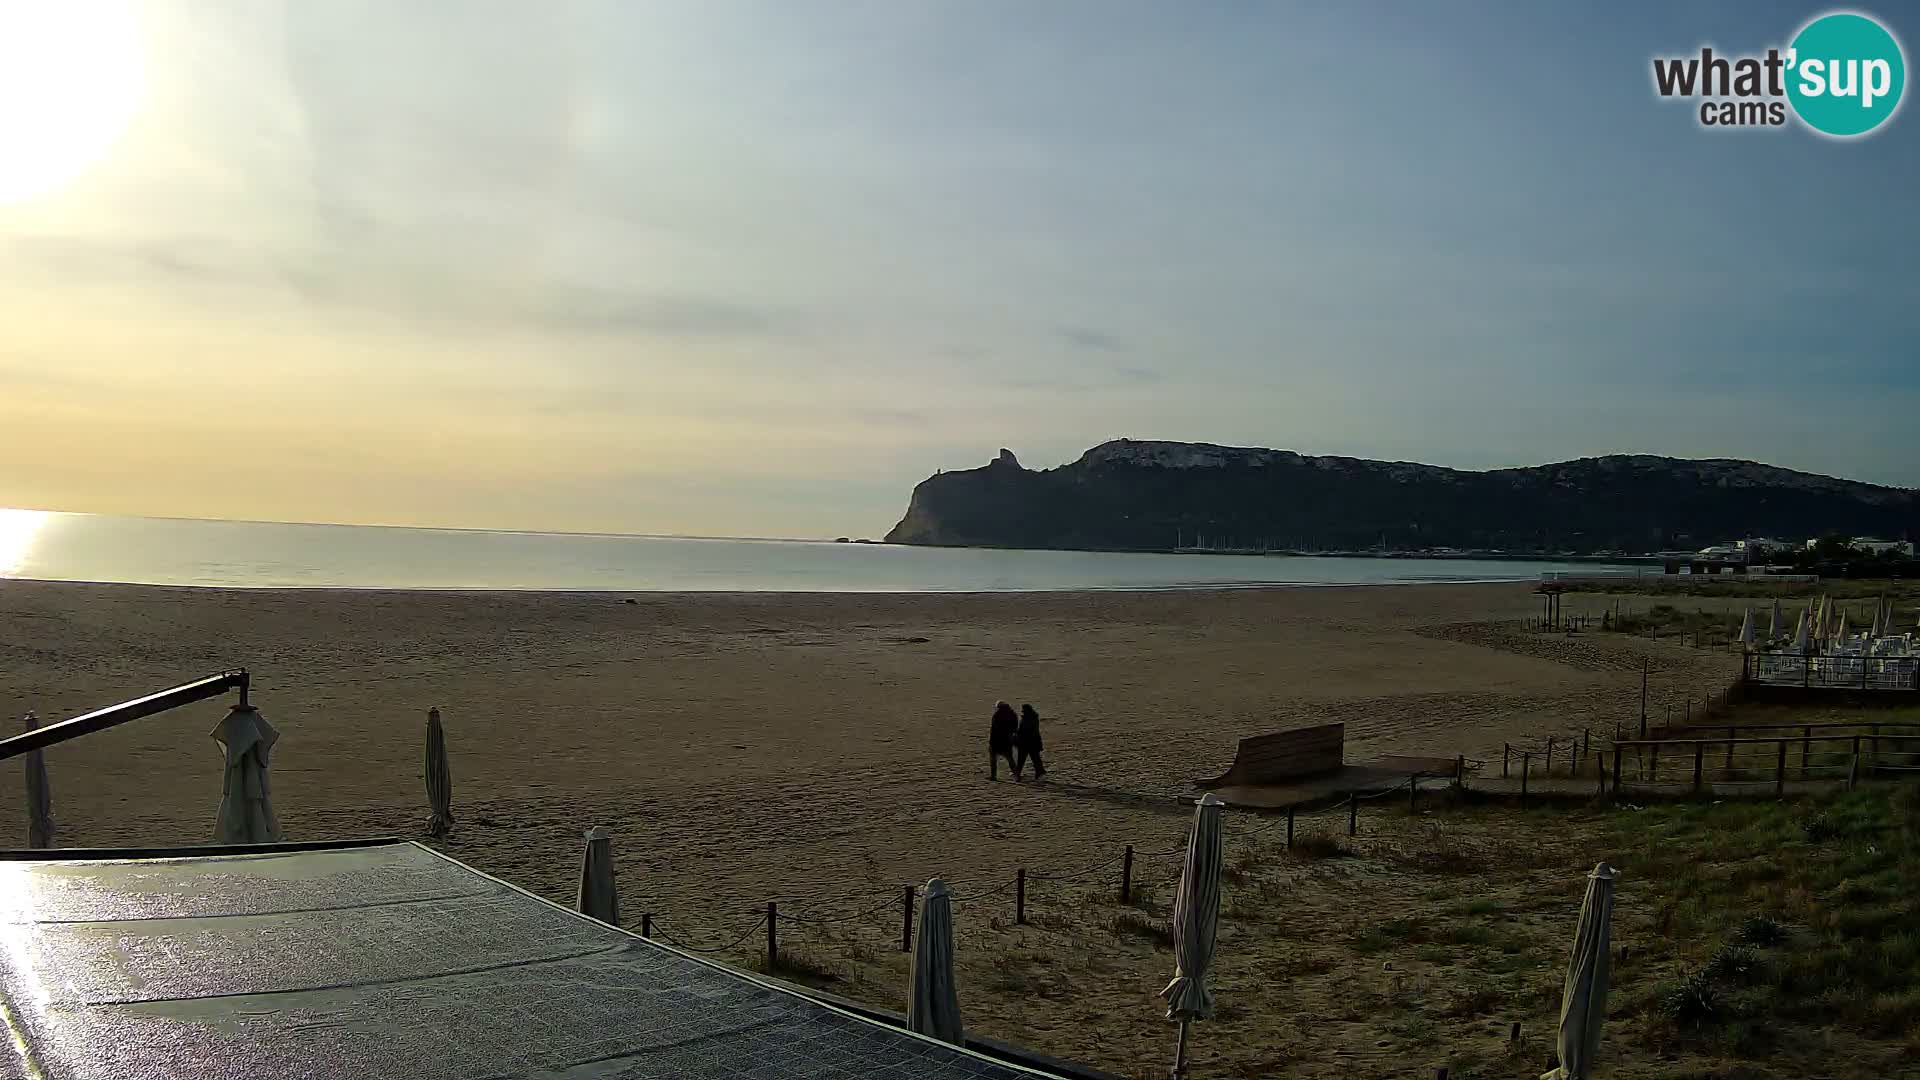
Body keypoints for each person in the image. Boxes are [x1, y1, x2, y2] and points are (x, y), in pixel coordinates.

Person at [988, 701, 1019, 780]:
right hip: (1007, 741)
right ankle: (1016, 775)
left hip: (996, 741)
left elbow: (994, 729)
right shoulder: (1013, 715)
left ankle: (993, 776)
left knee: (993, 760)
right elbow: (1014, 728)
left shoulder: (997, 715)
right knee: (1010, 759)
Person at [1016, 703, 1047, 779]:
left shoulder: (1027, 718)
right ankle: (1039, 771)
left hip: (1026, 742)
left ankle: (1018, 774)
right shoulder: (1033, 717)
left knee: (1022, 759)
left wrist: (1018, 734)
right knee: (1035, 758)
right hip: (1033, 741)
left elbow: (1025, 730)